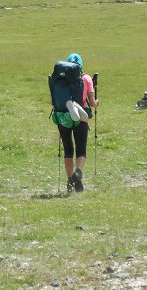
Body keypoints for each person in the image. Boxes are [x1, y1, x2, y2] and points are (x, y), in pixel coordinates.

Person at [50, 53, 97, 193]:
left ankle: (70, 181)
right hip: (80, 117)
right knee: (81, 148)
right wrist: (97, 101)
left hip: (62, 116)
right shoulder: (87, 79)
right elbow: (93, 103)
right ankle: (78, 172)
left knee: (68, 150)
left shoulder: (59, 78)